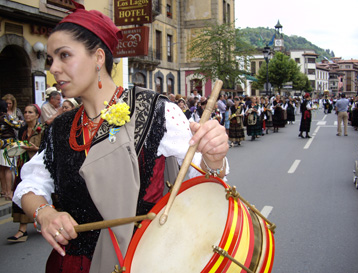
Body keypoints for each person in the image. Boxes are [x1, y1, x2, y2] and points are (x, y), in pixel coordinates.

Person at [13, 4, 228, 273]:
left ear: (98, 57)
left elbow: (203, 183)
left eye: (64, 55)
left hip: (139, 261)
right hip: (71, 265)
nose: (54, 68)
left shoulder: (156, 112)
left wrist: (213, 157)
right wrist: (44, 213)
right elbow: (31, 183)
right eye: (51, 59)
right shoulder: (60, 127)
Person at [7, 104, 44, 242]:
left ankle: (44, 221)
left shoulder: (43, 130)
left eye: (30, 112)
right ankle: (22, 229)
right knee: (21, 192)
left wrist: (36, 148)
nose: (27, 114)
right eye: (25, 112)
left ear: (37, 115)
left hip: (38, 167)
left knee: (39, 194)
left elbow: (47, 149)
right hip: (23, 165)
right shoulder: (22, 129)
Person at [0, 100, 21, 201]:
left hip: (0, 145)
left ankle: (3, 190)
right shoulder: (6, 117)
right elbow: (17, 125)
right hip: (7, 145)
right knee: (8, 169)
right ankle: (9, 192)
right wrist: (20, 122)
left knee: (1, 169)